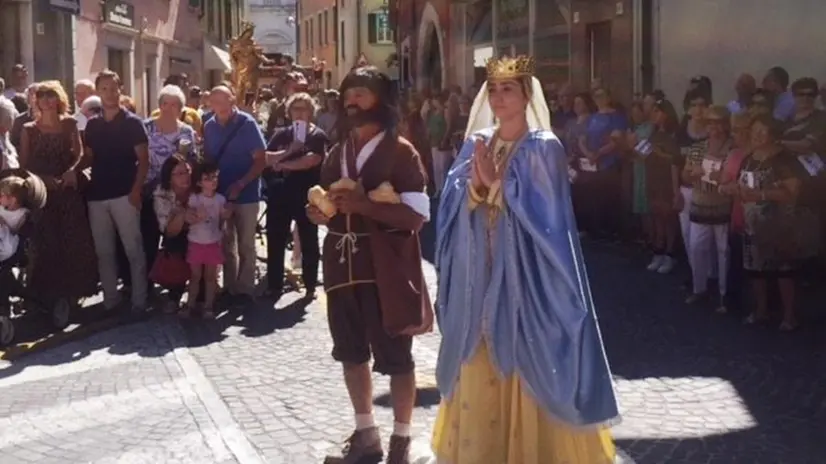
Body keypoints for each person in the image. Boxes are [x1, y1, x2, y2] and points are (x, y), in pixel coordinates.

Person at [431, 55, 618, 464]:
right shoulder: (477, 141)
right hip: (481, 272)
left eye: (508, 89)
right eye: (493, 89)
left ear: (527, 95)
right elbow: (449, 204)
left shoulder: (542, 147)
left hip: (527, 277)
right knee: (478, 354)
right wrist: (476, 192)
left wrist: (497, 187)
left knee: (529, 352)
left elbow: (549, 217)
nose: (498, 97)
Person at [306, 65, 432, 463]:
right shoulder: (337, 151)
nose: (352, 100)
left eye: (362, 92)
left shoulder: (401, 151)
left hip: (386, 269)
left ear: (381, 100)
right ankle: (366, 435)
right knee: (350, 353)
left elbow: (416, 217)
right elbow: (321, 200)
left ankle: (401, 441)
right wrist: (318, 214)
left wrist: (363, 206)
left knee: (397, 358)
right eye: (349, 93)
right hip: (342, 267)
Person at [19, 80, 99, 304]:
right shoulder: (29, 130)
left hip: (67, 189)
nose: (46, 100)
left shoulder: (70, 124)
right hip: (43, 192)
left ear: (59, 99)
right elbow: (24, 166)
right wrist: (42, 180)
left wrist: (72, 172)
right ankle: (45, 295)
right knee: (46, 242)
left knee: (73, 239)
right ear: (37, 101)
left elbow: (80, 155)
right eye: (42, 96)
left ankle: (74, 293)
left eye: (51, 95)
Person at [82, 70, 149, 314]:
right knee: (104, 251)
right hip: (97, 196)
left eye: (113, 87)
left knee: (133, 249)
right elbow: (88, 157)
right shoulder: (92, 125)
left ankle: (139, 300)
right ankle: (111, 300)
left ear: (120, 89)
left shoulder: (133, 123)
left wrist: (136, 191)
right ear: (98, 93)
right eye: (104, 89)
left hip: (125, 194)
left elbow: (144, 160)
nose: (110, 93)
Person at [202, 85, 266, 303]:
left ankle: (246, 288)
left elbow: (260, 159)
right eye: (214, 102)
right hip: (221, 194)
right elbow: (209, 160)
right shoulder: (209, 126)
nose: (219, 107)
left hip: (247, 194)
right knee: (226, 242)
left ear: (232, 100)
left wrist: (242, 183)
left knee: (246, 243)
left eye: (223, 101)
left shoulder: (247, 124)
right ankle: (230, 286)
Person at [264, 92, 327, 299]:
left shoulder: (317, 135)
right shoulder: (281, 134)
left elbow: (311, 160)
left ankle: (310, 285)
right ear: (289, 112)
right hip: (279, 194)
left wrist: (282, 164)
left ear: (311, 112)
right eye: (295, 109)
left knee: (309, 239)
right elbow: (266, 157)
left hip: (306, 194)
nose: (299, 113)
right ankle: (274, 284)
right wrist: (290, 150)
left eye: (304, 109)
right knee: (275, 239)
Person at [184, 161, 229, 319]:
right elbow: (189, 217)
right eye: (208, 178)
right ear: (199, 182)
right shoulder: (194, 199)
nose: (213, 181)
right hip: (196, 242)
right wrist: (197, 216)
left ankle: (208, 306)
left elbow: (224, 217)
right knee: (195, 277)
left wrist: (227, 214)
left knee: (211, 277)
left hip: (213, 242)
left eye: (215, 177)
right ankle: (190, 305)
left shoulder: (220, 199)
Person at [0, 176, 28, 262]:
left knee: (8, 249)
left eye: (1, 195)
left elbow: (14, 231)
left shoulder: (22, 214)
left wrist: (4, 224)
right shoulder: (2, 206)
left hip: (6, 238)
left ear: (12, 200)